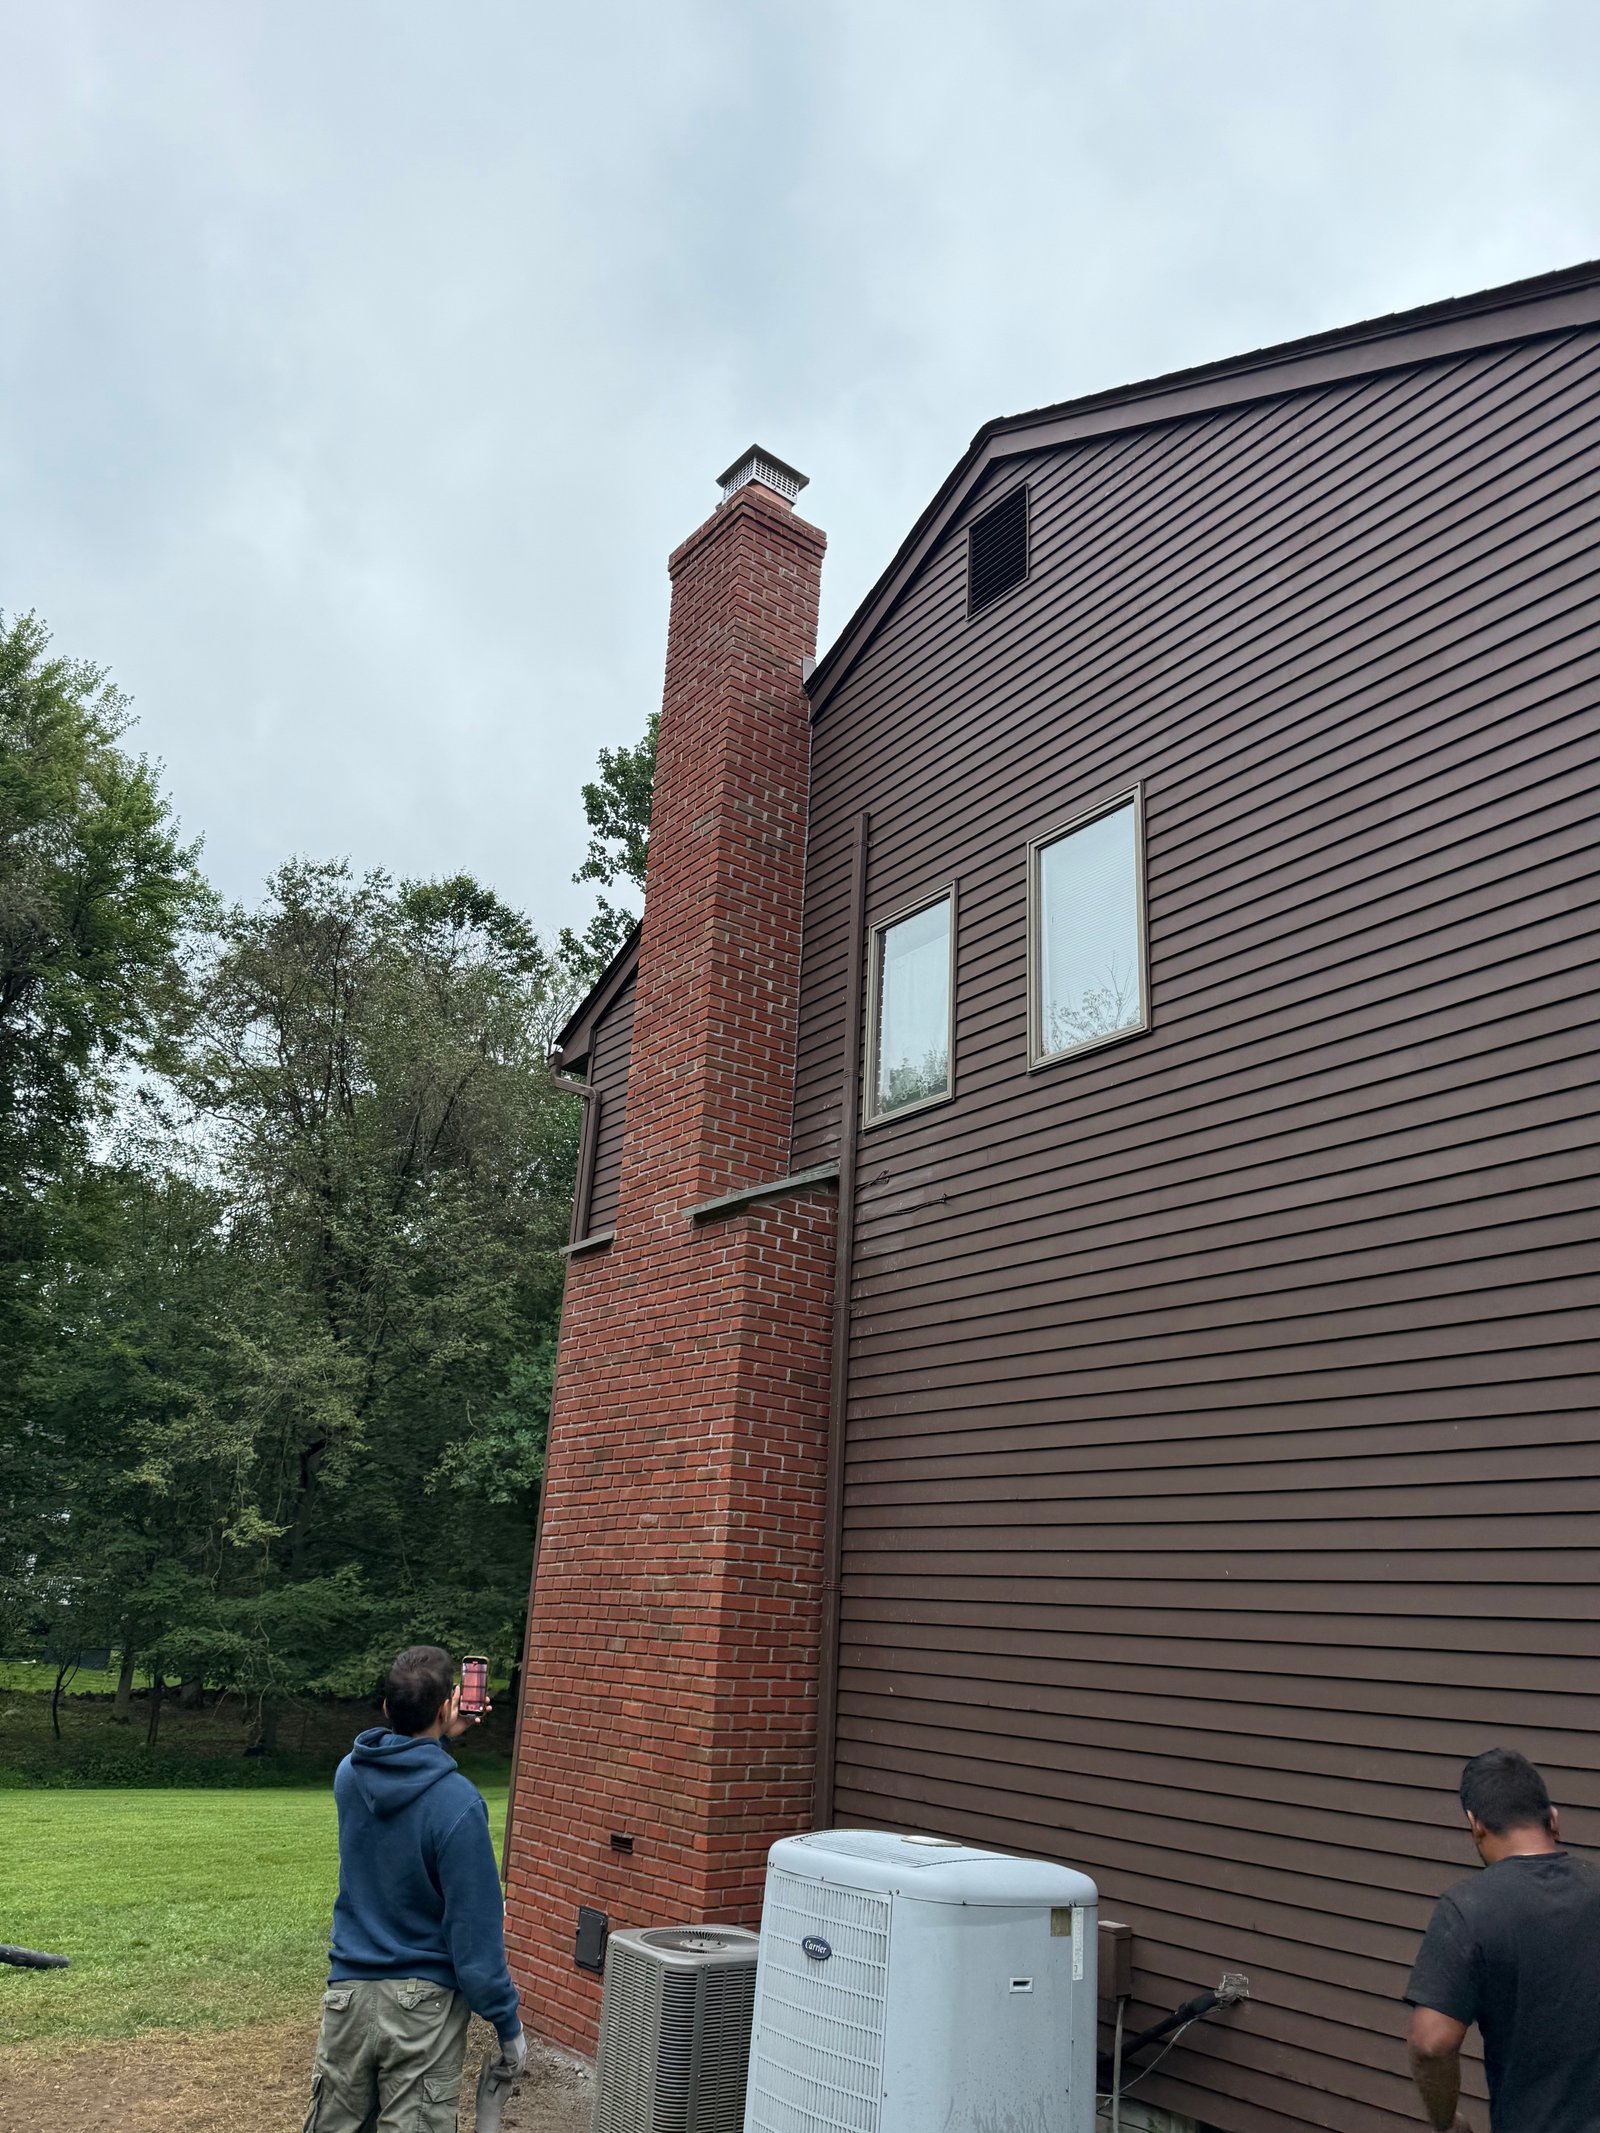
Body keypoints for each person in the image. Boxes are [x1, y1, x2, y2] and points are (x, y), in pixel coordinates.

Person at [304, 1645, 527, 2131]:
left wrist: (437, 1737)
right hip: (423, 2011)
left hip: (348, 1997)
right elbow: (474, 1935)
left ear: (386, 1708)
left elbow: (403, 1777)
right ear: (448, 1706)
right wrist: (507, 2024)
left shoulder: (350, 1775)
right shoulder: (460, 1805)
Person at [1405, 1746, 1600, 2133]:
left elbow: (1431, 2044)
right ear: (1554, 1819)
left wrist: (1446, 2121)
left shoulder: (1468, 1910)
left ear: (1475, 1824)